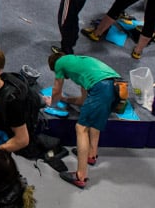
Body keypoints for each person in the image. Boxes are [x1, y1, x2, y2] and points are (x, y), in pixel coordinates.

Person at [45, 52, 121, 189]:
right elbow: (83, 101)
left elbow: (56, 91)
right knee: (94, 121)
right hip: (116, 86)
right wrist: (65, 99)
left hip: (102, 87)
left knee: (81, 128)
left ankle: (80, 176)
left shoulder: (58, 63)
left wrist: (51, 102)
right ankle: (91, 155)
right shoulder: (82, 67)